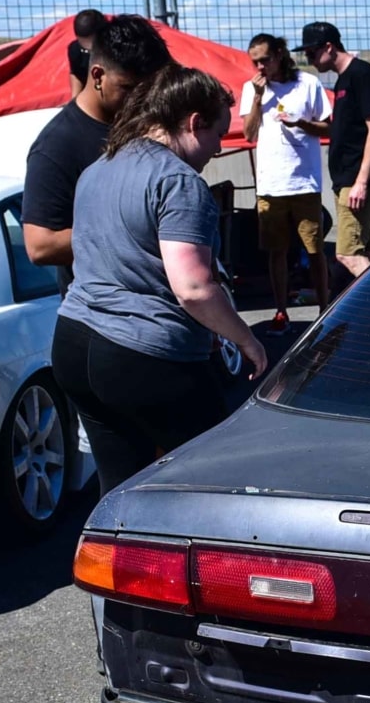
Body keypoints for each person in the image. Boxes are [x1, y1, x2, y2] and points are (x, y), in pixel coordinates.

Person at [52, 67, 268, 495]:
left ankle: (114, 560)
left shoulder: (99, 167)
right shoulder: (179, 181)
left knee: (120, 487)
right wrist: (247, 340)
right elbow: (192, 288)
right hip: (141, 354)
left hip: (75, 344)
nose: (219, 147)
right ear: (192, 123)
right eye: (218, 133)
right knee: (211, 482)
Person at [24, 15, 173, 295]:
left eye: (147, 90)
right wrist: (136, 230)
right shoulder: (57, 144)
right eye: (128, 88)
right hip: (103, 318)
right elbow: (40, 245)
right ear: (97, 76)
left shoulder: (142, 123)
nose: (140, 101)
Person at [240, 32, 333, 327]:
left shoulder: (307, 83)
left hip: (304, 182)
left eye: (265, 60)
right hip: (271, 185)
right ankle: (281, 309)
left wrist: (301, 123)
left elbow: (326, 126)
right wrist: (257, 97)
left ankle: (324, 307)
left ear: (279, 54)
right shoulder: (252, 88)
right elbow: (249, 133)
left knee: (314, 249)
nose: (259, 67)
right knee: (276, 251)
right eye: (254, 62)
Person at [294, 22, 370, 281]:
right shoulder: (343, 81)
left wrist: (361, 182)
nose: (309, 59)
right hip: (346, 179)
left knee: (347, 254)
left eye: (311, 53)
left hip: (356, 181)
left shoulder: (362, 74)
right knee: (369, 252)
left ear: (329, 46)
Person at [68, 8, 107, 99]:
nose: (90, 49)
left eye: (93, 44)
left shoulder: (117, 48)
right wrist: (75, 99)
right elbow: (76, 74)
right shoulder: (76, 50)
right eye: (84, 44)